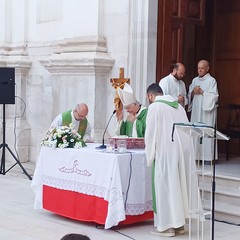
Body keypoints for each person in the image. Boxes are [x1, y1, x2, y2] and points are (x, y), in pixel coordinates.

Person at [145, 83, 199, 237]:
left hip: (165, 153)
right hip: (182, 152)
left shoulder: (155, 107)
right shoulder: (179, 107)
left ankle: (167, 227)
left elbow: (150, 132)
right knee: (178, 187)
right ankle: (179, 225)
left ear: (151, 96)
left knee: (166, 188)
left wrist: (150, 153)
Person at [188, 59, 219, 162]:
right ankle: (196, 157)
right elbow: (190, 95)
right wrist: (192, 92)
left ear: (207, 68)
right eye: (198, 68)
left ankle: (207, 158)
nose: (200, 70)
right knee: (196, 130)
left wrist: (202, 92)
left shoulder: (212, 81)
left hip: (207, 113)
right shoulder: (194, 80)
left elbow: (214, 97)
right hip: (197, 110)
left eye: (202, 68)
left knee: (206, 131)